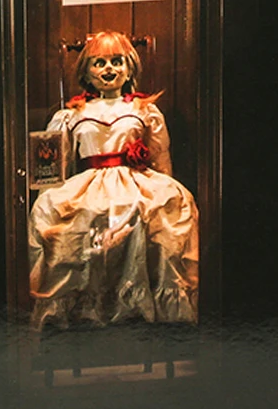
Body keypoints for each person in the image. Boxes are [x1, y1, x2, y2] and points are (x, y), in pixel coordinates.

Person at [28, 31, 199, 329]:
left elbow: (160, 158)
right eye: (99, 63)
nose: (108, 69)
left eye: (117, 61)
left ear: (129, 68)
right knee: (66, 217)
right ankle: (82, 308)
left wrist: (166, 191)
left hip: (136, 182)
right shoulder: (72, 114)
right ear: (87, 72)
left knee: (157, 211)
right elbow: (59, 165)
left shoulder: (144, 110)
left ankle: (145, 308)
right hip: (89, 184)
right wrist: (49, 196)